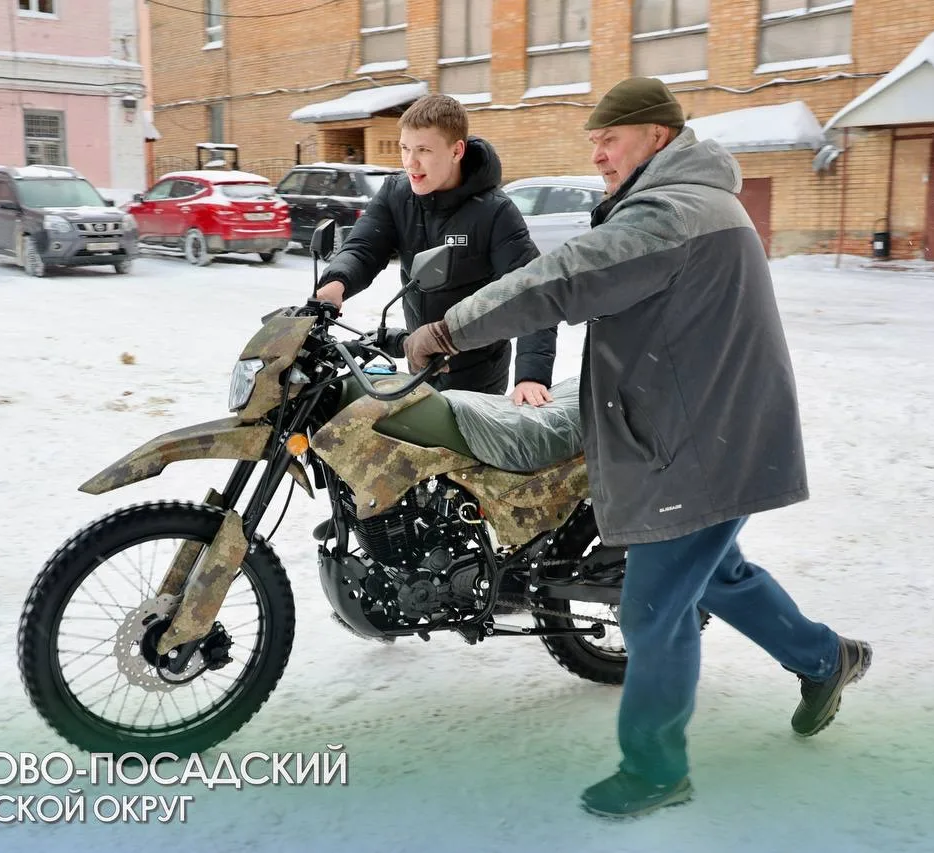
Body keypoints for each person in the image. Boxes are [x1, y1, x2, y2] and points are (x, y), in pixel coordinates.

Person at [401, 77, 872, 818]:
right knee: (716, 575)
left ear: (657, 136)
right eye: (594, 141)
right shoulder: (694, 201)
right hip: (715, 430)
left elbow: (560, 280)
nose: (597, 154)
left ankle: (656, 769)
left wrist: (446, 329)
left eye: (610, 139)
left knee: (652, 610)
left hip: (698, 445)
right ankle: (825, 657)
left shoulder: (668, 214)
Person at [315, 93, 558, 406]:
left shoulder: (494, 212)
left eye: (424, 150)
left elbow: (531, 291)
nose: (410, 162)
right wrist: (336, 283)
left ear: (457, 151)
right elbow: (364, 248)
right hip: (419, 358)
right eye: (405, 148)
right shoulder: (396, 194)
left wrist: (531, 376)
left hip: (477, 376)